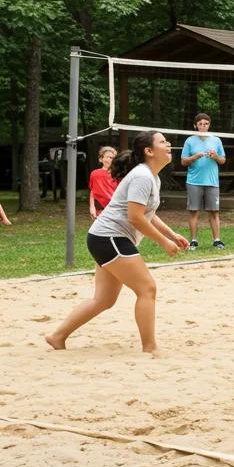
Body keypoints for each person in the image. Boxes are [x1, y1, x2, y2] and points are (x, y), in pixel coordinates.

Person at [44, 131, 188, 354]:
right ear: (149, 151)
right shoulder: (142, 176)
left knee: (103, 300)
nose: (168, 145)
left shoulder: (151, 176)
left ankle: (57, 336)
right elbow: (135, 217)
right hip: (109, 238)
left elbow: (148, 213)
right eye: (162, 142)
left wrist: (171, 234)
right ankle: (150, 348)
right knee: (147, 289)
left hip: (104, 238)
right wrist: (162, 242)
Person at [181, 112, 226, 250]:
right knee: (194, 211)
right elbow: (183, 161)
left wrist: (215, 156)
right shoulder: (189, 141)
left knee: (214, 212)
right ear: (196, 126)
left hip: (212, 182)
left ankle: (217, 240)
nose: (203, 126)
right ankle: (194, 240)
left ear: (209, 125)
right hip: (194, 181)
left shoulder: (216, 140)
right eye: (200, 124)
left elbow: (222, 160)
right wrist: (194, 157)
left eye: (205, 124)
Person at [88, 146, 117, 220]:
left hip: (116, 210)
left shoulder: (118, 175)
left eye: (112, 158)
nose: (109, 160)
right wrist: (92, 207)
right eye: (107, 157)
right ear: (101, 159)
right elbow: (92, 191)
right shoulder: (95, 174)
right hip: (100, 210)